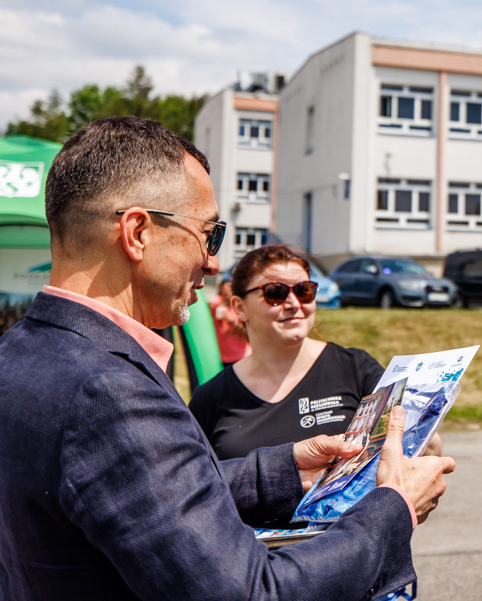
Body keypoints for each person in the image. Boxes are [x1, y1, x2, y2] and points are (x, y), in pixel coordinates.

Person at [0, 116, 456, 601]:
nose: (213, 261)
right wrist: (394, 508)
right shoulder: (110, 391)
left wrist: (286, 471)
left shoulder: (17, 353)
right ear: (137, 233)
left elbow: (141, 492)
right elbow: (252, 592)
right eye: (209, 234)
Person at [190, 244, 387, 460]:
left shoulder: (356, 370)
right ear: (240, 308)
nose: (293, 303)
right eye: (275, 292)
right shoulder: (210, 399)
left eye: (304, 290)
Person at [210, 277, 251, 368]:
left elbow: (248, 336)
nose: (224, 298)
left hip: (239, 358)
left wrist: (231, 320)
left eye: (227, 295)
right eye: (222, 294)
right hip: (221, 358)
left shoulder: (242, 310)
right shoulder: (218, 305)